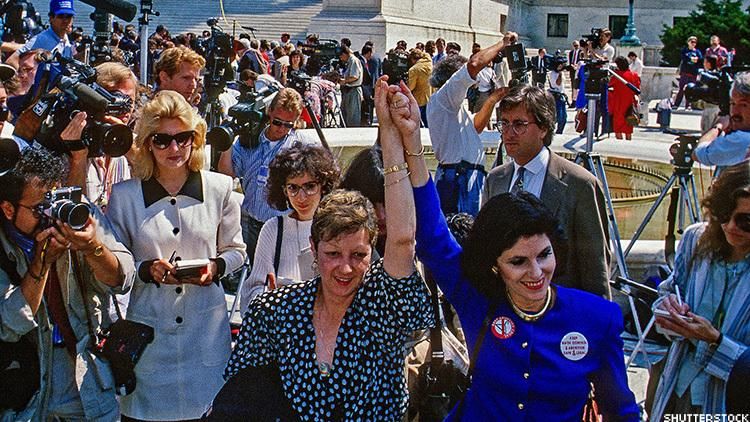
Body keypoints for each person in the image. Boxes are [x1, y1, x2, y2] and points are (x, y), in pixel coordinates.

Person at [385, 79, 638, 420]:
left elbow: (622, 412)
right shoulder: (479, 303)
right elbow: (434, 239)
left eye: (544, 255)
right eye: (518, 261)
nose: (536, 273)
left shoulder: (597, 319)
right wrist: (411, 142)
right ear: (496, 264)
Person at [224, 75, 433, 419]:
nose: (345, 267)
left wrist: (393, 136)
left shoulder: (382, 304)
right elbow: (240, 394)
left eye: (358, 255)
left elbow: (402, 239)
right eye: (333, 254)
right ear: (314, 247)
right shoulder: (278, 310)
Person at [106, 91, 246, 421]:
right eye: (162, 140)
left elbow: (237, 252)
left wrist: (215, 267)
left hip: (205, 340)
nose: (174, 148)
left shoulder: (220, 188)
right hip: (149, 343)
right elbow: (116, 265)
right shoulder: (124, 196)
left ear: (195, 139)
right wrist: (146, 269)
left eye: (183, 138)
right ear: (146, 143)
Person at [0, 145, 135, 421]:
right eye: (40, 209)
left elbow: (123, 278)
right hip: (26, 377)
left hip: (84, 369)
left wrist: (92, 247)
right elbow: (10, 324)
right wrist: (42, 261)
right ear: (8, 208)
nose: (52, 215)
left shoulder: (77, 212)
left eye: (55, 202)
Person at [483, 84, 611, 298]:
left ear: (543, 128)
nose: (508, 133)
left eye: (519, 124)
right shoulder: (495, 180)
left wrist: (597, 316)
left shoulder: (580, 184)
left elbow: (595, 269)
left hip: (559, 309)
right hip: (505, 310)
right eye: (504, 123)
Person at [649, 162, 750, 420]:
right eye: (723, 213)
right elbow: (669, 290)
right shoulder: (696, 239)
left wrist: (715, 340)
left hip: (728, 401)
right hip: (676, 389)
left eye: (745, 221)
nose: (730, 226)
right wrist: (668, 308)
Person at [426, 33, 517, 217]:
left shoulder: (451, 105)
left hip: (463, 177)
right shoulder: (445, 97)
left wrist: (492, 99)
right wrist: (504, 43)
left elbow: (475, 127)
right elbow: (474, 64)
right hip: (458, 180)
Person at [239, 143, 340, 308]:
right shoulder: (273, 229)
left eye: (309, 187)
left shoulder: (338, 227)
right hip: (283, 317)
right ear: (284, 190)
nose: (301, 197)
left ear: (323, 186)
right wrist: (268, 295)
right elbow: (252, 291)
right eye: (293, 188)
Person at [217, 88, 311, 264]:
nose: (281, 129)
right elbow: (227, 174)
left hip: (283, 225)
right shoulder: (249, 140)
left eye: (288, 125)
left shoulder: (300, 146)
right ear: (270, 112)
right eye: (277, 122)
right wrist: (226, 144)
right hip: (251, 222)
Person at [693, 71, 750, 170]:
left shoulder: (741, 140)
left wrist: (719, 126)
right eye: (732, 103)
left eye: (743, 105)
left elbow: (699, 154)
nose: (734, 111)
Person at [6, 0, 75, 69]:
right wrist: (23, 74)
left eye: (69, 16)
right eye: (61, 16)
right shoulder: (41, 39)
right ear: (51, 18)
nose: (66, 21)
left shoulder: (66, 40)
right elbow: (11, 61)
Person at [608, 56, 641, 140]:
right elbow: (637, 89)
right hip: (630, 103)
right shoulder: (634, 75)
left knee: (618, 126)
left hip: (618, 103)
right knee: (629, 125)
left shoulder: (616, 76)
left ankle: (619, 142)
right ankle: (628, 141)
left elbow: (609, 85)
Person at [674, 36, 703, 110]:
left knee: (690, 90)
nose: (693, 44)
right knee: (681, 89)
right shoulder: (685, 50)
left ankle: (688, 105)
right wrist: (691, 59)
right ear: (688, 42)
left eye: (695, 42)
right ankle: (676, 104)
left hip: (693, 73)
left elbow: (700, 59)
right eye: (692, 42)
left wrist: (696, 59)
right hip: (685, 73)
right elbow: (684, 58)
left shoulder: (697, 52)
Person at [407, 48, 433, 127]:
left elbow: (410, 87)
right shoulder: (429, 64)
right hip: (430, 95)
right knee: (428, 121)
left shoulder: (414, 69)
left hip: (419, 98)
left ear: (413, 59)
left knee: (417, 121)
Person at [339, 46, 364, 127]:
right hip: (348, 90)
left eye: (341, 56)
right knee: (345, 115)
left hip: (354, 90)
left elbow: (354, 76)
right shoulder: (349, 62)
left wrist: (344, 81)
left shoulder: (354, 61)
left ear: (344, 54)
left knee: (353, 116)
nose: (341, 59)